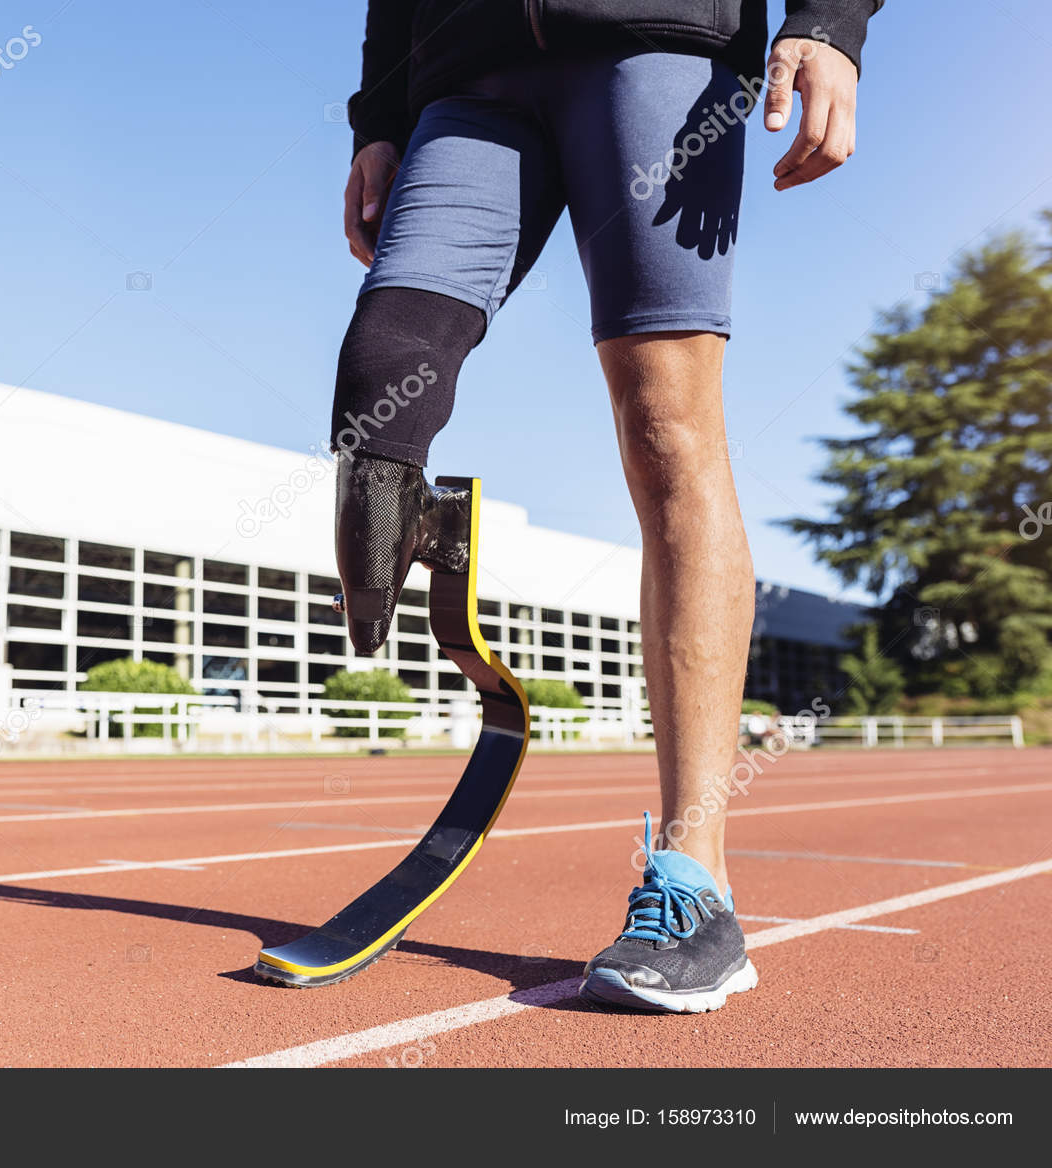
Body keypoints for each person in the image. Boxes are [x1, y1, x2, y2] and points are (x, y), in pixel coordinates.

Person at [330, 0, 881, 1012]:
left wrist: (830, 22)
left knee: (666, 424)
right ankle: (408, 594)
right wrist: (378, 119)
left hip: (658, 46)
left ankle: (693, 878)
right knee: (379, 381)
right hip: (465, 78)